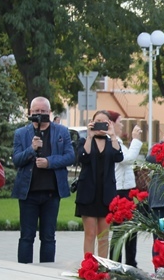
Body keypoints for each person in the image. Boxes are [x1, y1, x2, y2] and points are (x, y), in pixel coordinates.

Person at [12, 97, 75, 263]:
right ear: (30, 113)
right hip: (28, 193)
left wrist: (49, 162)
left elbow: (70, 156)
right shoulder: (21, 133)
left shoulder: (61, 131)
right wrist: (31, 149)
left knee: (48, 236)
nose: (40, 114)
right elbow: (17, 160)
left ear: (49, 112)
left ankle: (47, 273)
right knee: (27, 236)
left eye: (43, 111)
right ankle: (23, 272)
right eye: (36, 112)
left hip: (51, 193)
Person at [75, 110, 122, 257]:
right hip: (88, 193)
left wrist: (112, 134)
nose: (100, 125)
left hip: (106, 194)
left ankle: (102, 266)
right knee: (90, 234)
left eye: (104, 122)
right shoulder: (84, 141)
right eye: (97, 121)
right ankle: (88, 265)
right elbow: (83, 157)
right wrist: (90, 136)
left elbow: (118, 156)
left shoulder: (112, 142)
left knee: (103, 236)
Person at [108, 111, 143, 266]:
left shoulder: (118, 141)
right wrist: (135, 140)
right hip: (119, 190)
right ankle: (117, 263)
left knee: (130, 230)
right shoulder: (111, 141)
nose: (121, 125)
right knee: (121, 230)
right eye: (119, 122)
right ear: (111, 123)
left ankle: (129, 263)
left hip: (125, 189)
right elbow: (127, 159)